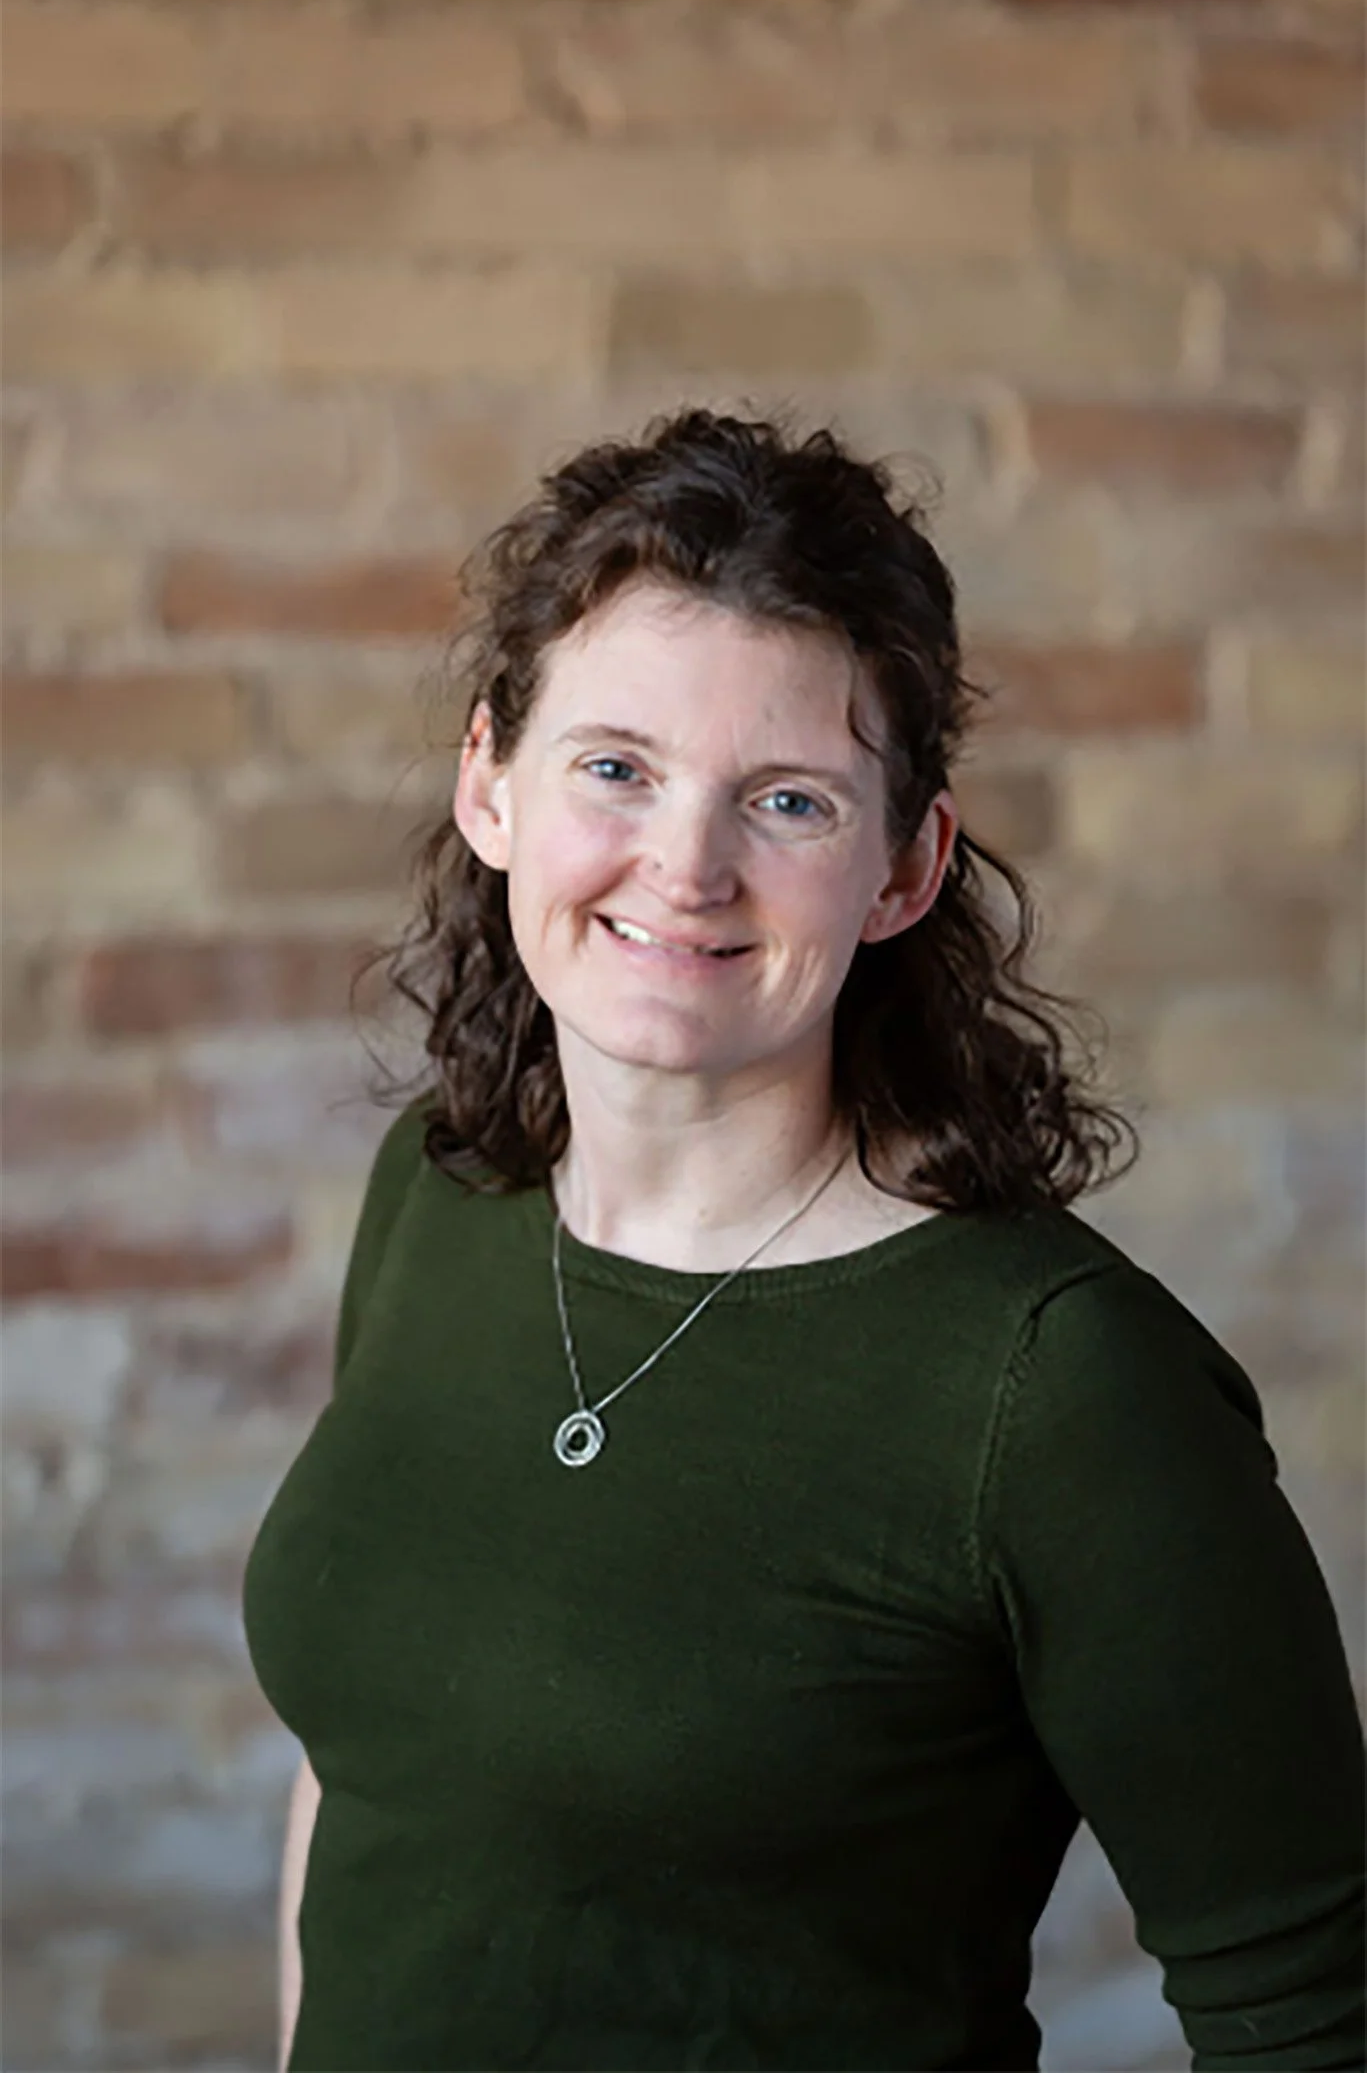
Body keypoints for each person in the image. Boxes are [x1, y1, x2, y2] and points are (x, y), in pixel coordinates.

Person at [242, 407, 1366, 2073]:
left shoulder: (1055, 1390)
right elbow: (364, 1780)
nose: (683, 868)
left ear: (906, 864)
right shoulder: (445, 1193)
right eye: (613, 767)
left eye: (784, 802)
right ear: (491, 782)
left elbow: (1313, 2023)